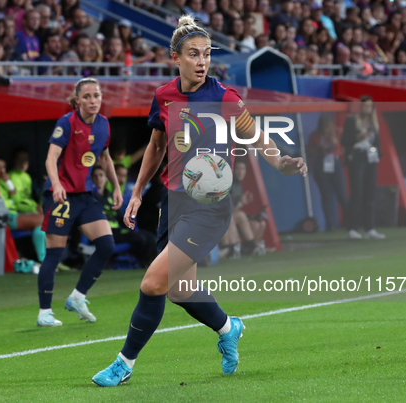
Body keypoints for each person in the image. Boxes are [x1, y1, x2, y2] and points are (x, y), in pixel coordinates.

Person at [92, 15, 307, 387]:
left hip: (209, 208)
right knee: (181, 290)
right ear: (176, 57)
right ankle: (229, 327)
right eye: (194, 54)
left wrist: (281, 162)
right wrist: (138, 191)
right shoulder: (163, 96)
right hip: (173, 203)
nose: (202, 60)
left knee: (152, 283)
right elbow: (157, 145)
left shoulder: (225, 97)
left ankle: (123, 364)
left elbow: (257, 138)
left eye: (207, 54)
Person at [37, 77, 122, 327]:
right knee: (54, 254)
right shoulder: (67, 123)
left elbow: (105, 158)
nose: (93, 101)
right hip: (60, 195)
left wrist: (116, 187)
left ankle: (77, 297)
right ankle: (44, 312)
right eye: (87, 97)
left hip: (84, 195)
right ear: (77, 101)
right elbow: (51, 158)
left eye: (96, 95)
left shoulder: (104, 124)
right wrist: (58, 184)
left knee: (107, 245)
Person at [92, 165, 157, 268]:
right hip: (105, 231)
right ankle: (144, 263)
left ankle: (152, 265)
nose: (99, 179)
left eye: (101, 176)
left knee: (150, 237)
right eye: (95, 176)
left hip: (117, 230)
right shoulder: (90, 197)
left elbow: (119, 216)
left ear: (106, 178)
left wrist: (128, 227)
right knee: (139, 238)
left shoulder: (110, 196)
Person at [341, 95, 385, 240]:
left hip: (371, 157)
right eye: (365, 106)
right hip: (357, 156)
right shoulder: (352, 121)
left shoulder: (373, 122)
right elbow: (344, 140)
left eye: (370, 106)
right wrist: (357, 137)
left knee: (370, 193)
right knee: (357, 192)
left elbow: (376, 141)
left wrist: (378, 152)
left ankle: (369, 228)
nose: (367, 109)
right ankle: (352, 228)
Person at [0, 156, 47, 263]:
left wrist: (8, 182)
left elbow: (14, 194)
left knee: (43, 224)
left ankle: (44, 259)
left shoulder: (3, 181)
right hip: (5, 217)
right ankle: (43, 259)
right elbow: (13, 202)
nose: (2, 171)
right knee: (45, 220)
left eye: (3, 167)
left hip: (14, 214)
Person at [307, 113, 348, 231]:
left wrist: (339, 152)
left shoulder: (338, 132)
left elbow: (346, 146)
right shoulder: (315, 136)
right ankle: (331, 225)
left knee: (342, 194)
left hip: (335, 162)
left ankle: (351, 223)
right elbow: (310, 151)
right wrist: (319, 147)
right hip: (321, 164)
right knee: (327, 196)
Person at [219, 159, 267, 258]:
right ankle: (233, 247)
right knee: (231, 217)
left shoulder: (238, 185)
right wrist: (241, 203)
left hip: (230, 214)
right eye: (237, 169)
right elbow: (225, 209)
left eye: (242, 169)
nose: (240, 172)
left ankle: (251, 245)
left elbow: (234, 208)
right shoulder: (228, 184)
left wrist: (241, 203)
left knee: (257, 222)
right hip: (219, 216)